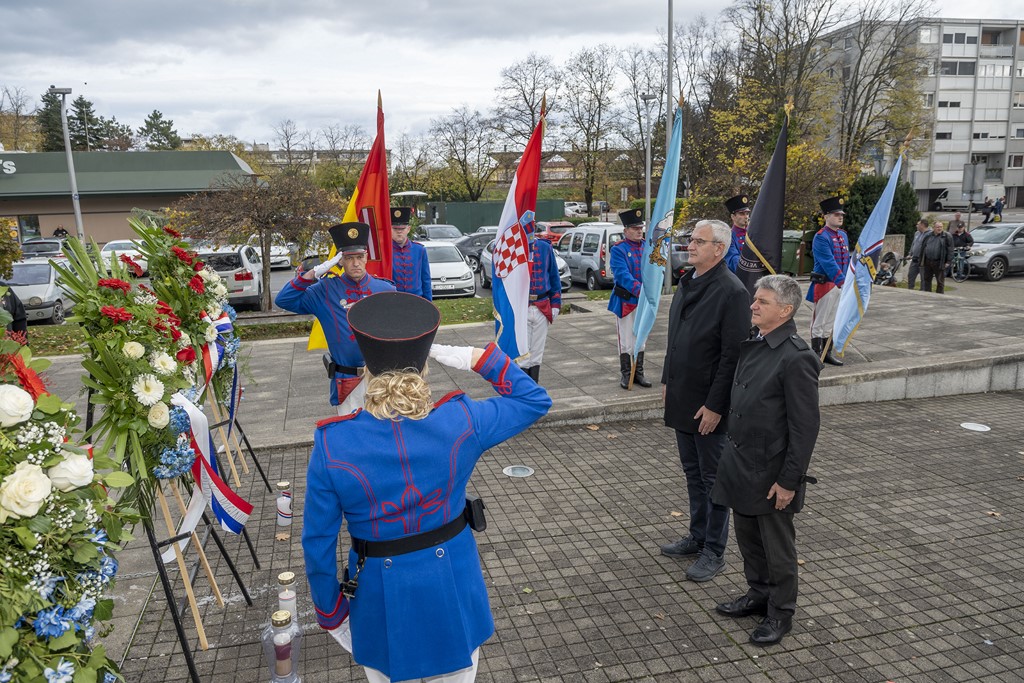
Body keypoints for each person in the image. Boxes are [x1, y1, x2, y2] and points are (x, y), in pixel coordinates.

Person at [302, 291, 551, 683]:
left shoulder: (334, 443)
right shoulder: (461, 419)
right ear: (424, 361)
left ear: (367, 363)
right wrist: (478, 359)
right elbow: (533, 399)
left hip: (379, 597)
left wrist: (330, 612)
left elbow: (317, 541)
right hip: (452, 585)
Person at [711, 274, 821, 646]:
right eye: (755, 300)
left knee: (777, 548)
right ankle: (758, 594)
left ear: (785, 310)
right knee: (748, 540)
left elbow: (804, 429)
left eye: (762, 301)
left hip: (771, 471)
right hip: (741, 463)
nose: (753, 305)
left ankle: (780, 613)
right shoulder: (756, 342)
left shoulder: (796, 357)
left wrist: (789, 481)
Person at [659, 219, 750, 582]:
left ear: (719, 249)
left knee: (714, 479)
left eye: (699, 240)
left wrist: (716, 406)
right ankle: (697, 537)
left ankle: (714, 549)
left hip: (709, 403)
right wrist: (667, 379)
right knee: (692, 473)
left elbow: (733, 357)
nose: (691, 245)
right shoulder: (687, 282)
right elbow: (675, 338)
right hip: (682, 395)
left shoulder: (732, 292)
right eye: (690, 239)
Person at [275, 222, 395, 414]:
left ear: (366, 257)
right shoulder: (324, 290)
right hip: (347, 381)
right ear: (340, 260)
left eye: (359, 257)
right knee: (350, 437)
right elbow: (283, 300)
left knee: (385, 435)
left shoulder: (386, 290)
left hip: (381, 379)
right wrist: (315, 272)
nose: (355, 263)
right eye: (349, 258)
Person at [608, 208, 652, 390]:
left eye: (640, 227)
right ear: (626, 230)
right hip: (626, 301)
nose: (639, 231)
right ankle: (627, 374)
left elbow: (653, 272)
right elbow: (623, 275)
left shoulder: (647, 247)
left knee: (641, 339)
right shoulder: (618, 250)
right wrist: (641, 291)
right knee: (626, 341)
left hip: (644, 301)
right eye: (634, 228)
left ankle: (638, 373)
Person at [805, 196, 849, 366]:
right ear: (826, 216)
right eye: (836, 214)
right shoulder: (821, 237)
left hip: (839, 285)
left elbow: (846, 259)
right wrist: (843, 281)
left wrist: (847, 281)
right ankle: (815, 355)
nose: (840, 217)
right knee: (819, 322)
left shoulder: (843, 235)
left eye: (841, 215)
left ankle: (826, 353)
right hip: (825, 285)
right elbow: (828, 262)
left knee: (831, 321)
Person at [520, 211, 562, 383]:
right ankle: (523, 391)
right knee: (522, 352)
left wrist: (556, 304)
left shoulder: (545, 247)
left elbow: (554, 277)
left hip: (542, 304)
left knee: (537, 351)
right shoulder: (515, 249)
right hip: (521, 307)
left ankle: (534, 387)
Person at [390, 207, 432, 300]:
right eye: (395, 228)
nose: (399, 232)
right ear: (389, 229)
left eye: (402, 228)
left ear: (408, 229)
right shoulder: (385, 252)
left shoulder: (419, 250)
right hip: (393, 301)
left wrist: (428, 304)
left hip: (416, 300)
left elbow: (426, 280)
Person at [920, 220, 953, 294]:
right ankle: (928, 294)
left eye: (941, 227)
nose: (939, 228)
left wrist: (948, 261)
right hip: (928, 261)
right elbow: (923, 247)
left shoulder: (946, 236)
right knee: (927, 280)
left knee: (940, 281)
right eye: (937, 227)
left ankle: (939, 296)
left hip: (939, 261)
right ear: (933, 228)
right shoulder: (928, 236)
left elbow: (950, 249)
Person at [723, 194, 751, 273]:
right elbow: (733, 260)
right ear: (733, 217)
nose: (746, 217)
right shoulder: (729, 237)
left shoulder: (752, 234)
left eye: (747, 213)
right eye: (742, 214)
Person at [906, 219, 928, 290]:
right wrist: (910, 253)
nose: (916, 226)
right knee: (910, 275)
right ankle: (910, 289)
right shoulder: (917, 233)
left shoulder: (929, 234)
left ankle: (922, 291)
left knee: (923, 277)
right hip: (914, 259)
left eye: (918, 224)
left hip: (922, 260)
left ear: (922, 225)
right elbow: (913, 244)